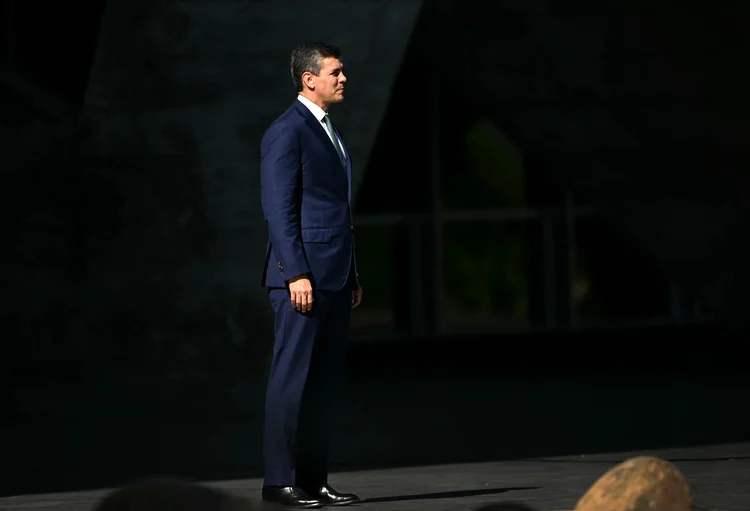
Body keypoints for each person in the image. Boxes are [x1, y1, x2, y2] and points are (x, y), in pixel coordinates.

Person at [259, 42, 363, 508]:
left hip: (336, 278)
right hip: (302, 280)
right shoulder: (288, 130)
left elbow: (337, 210)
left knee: (323, 385)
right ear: (309, 78)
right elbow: (279, 211)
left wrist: (352, 273)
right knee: (292, 380)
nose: (343, 79)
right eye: (336, 72)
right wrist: (295, 273)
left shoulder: (327, 130)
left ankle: (314, 480)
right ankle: (279, 482)